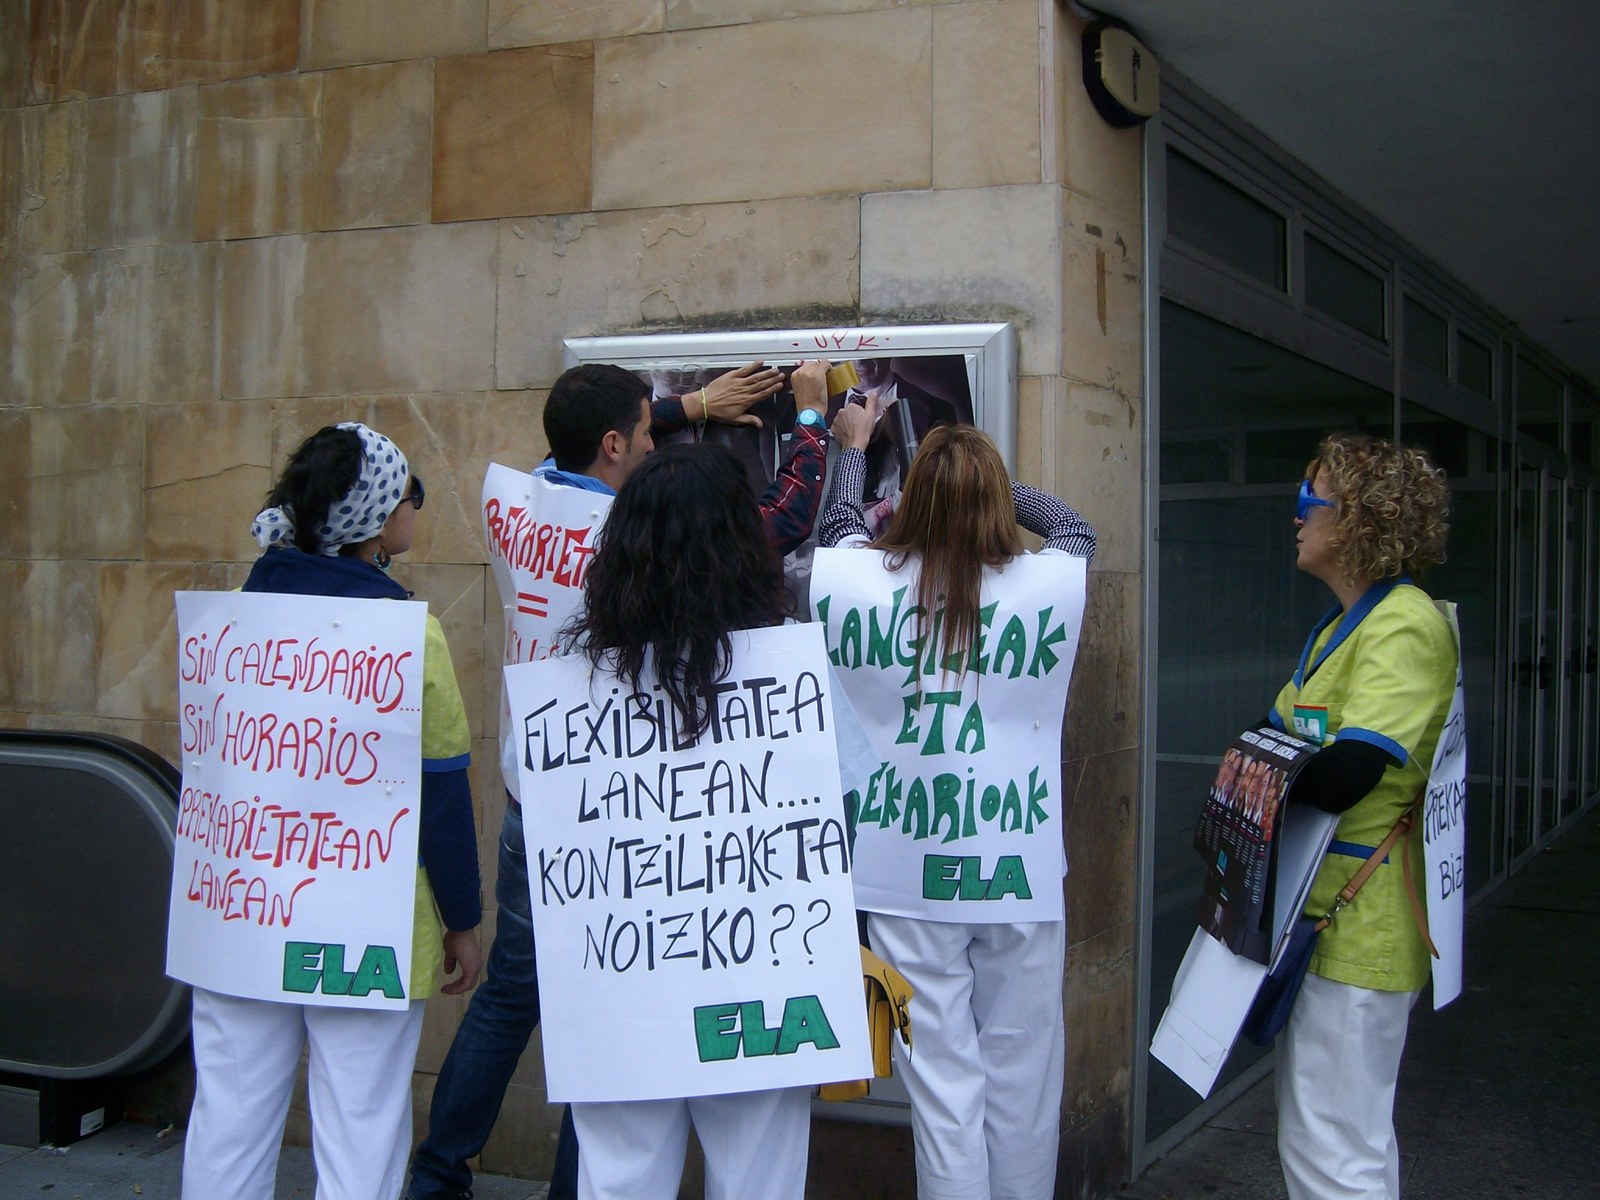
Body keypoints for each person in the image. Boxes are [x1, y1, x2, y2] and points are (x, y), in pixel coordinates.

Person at [408, 361, 873, 1200]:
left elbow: (578, 441)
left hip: (554, 825)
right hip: (746, 979)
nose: (653, 437)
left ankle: (442, 1172)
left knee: (541, 1026)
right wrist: (812, 421)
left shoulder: (515, 506)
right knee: (751, 1161)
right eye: (647, 432)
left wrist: (685, 407)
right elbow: (791, 516)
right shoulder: (787, 684)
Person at [182, 423, 481, 1200]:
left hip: (238, 916)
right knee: (361, 1126)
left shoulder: (228, 626)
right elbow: (441, 793)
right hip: (368, 931)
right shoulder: (414, 639)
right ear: (383, 520)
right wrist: (462, 918)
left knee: (227, 1118)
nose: (417, 507)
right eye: (411, 494)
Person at [817, 423, 1096, 1200]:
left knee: (941, 1087)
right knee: (1024, 1079)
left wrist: (851, 449)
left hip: (907, 874)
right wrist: (1000, 495)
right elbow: (1076, 526)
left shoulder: (860, 581)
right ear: (1000, 505)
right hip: (1021, 869)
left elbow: (839, 522)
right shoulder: (1047, 581)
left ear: (912, 504)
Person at [1267, 434, 1454, 1200]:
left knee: (1332, 1154)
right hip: (1320, 916)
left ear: (1360, 521)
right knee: (1342, 1140)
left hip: (1359, 922)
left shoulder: (1404, 624)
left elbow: (1350, 771)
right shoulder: (1339, 626)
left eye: (1311, 502)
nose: (1297, 518)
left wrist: (1256, 773)